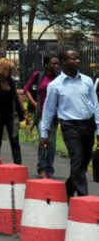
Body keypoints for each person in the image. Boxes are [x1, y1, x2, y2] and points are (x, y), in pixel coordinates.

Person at [40, 49, 99, 198]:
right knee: (77, 160)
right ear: (63, 62)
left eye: (78, 58)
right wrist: (44, 133)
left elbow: (95, 105)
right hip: (70, 127)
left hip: (88, 125)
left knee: (84, 163)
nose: (77, 61)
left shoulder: (87, 81)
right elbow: (48, 110)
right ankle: (84, 199)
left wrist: (98, 128)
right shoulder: (55, 85)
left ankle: (65, 192)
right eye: (73, 59)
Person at [23, 54, 60, 178]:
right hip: (41, 113)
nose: (56, 66)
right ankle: (42, 169)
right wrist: (34, 103)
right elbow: (26, 89)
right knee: (43, 141)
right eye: (53, 64)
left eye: (57, 64)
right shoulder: (38, 76)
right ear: (46, 64)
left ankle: (50, 169)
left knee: (52, 144)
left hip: (54, 115)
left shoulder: (59, 78)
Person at [0, 58, 25, 165]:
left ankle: (18, 165)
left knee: (15, 141)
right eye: (10, 69)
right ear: (3, 69)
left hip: (10, 115)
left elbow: (17, 96)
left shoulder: (11, 81)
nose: (11, 72)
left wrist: (24, 111)